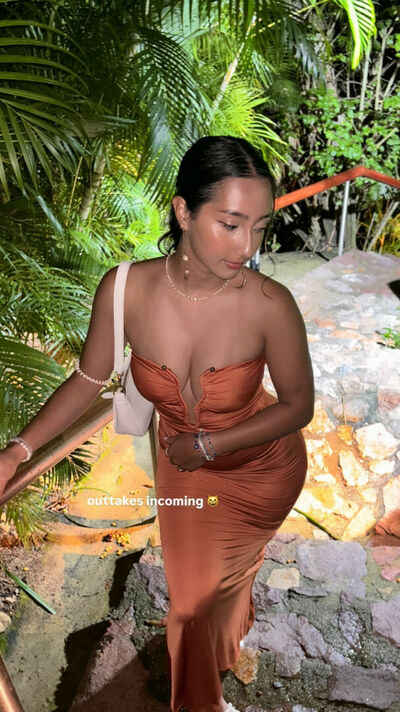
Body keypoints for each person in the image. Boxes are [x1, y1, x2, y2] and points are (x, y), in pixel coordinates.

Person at [0, 135, 314, 712]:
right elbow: (88, 380)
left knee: (230, 571)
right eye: (230, 224)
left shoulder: (271, 303)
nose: (247, 246)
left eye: (260, 228)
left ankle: (228, 630)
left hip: (264, 468)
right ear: (183, 212)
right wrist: (17, 451)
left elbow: (298, 408)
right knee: (190, 606)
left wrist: (210, 443)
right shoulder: (126, 289)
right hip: (186, 473)